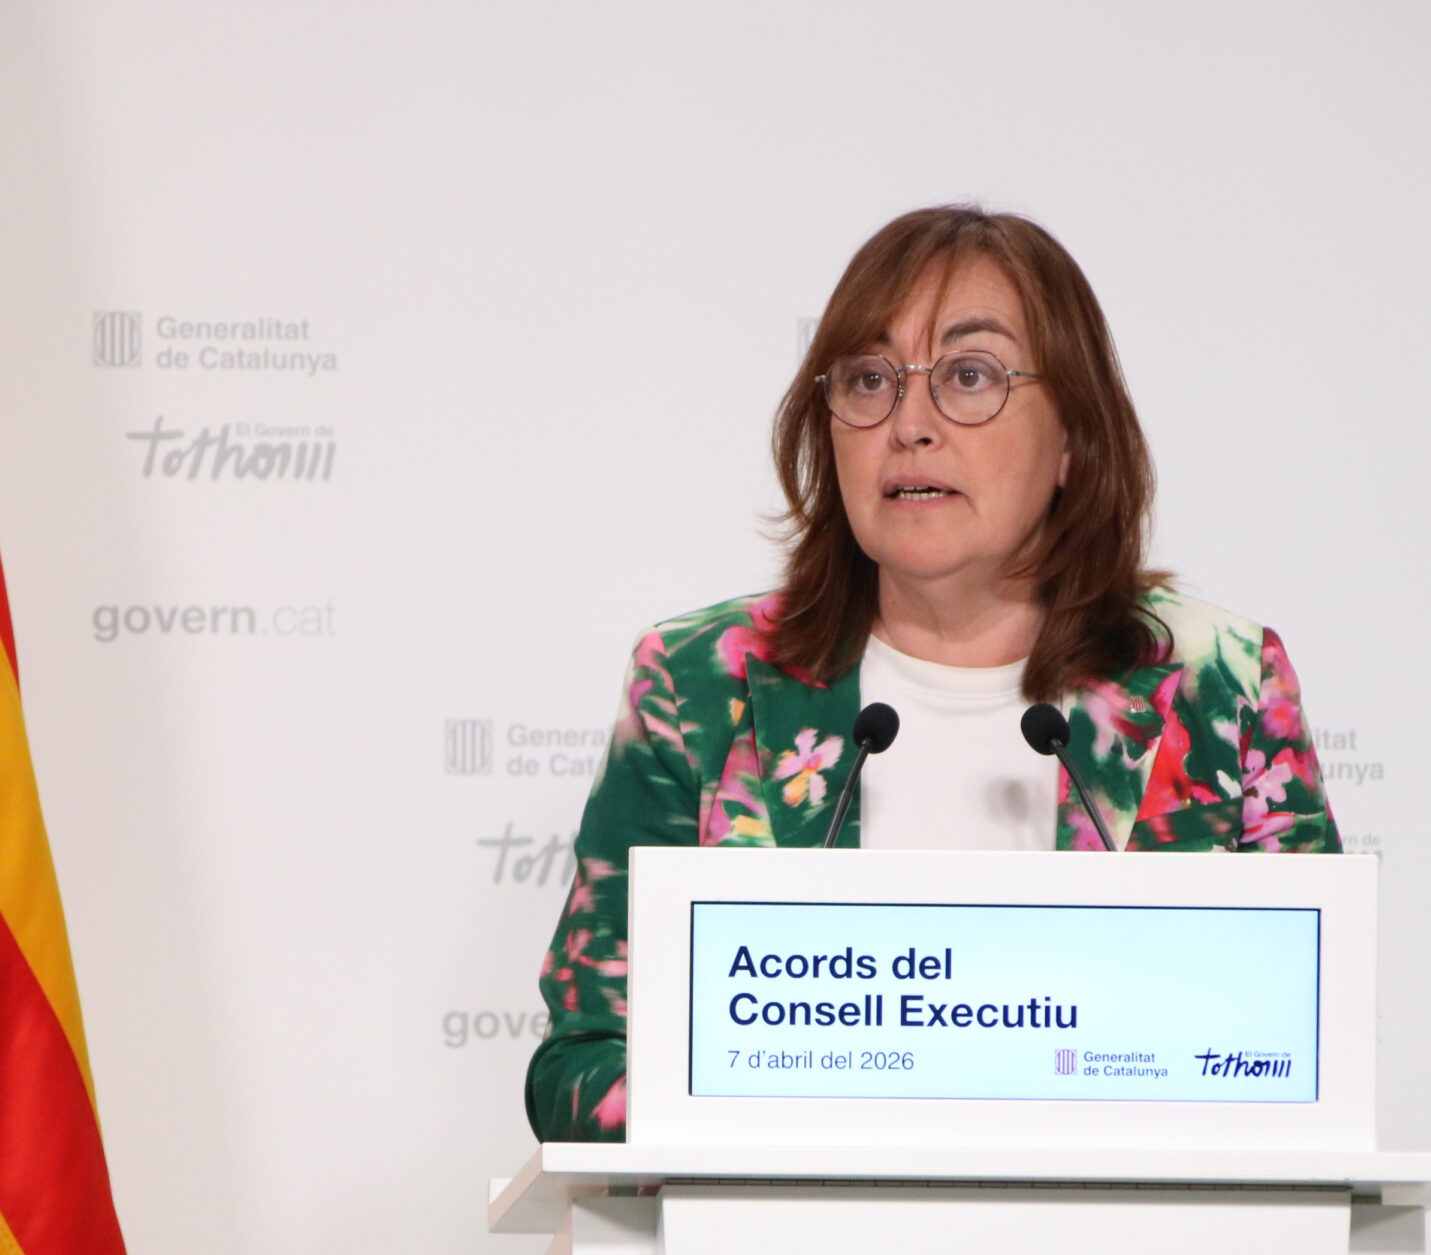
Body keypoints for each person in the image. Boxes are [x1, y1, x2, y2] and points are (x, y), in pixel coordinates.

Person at [525, 205, 1340, 1143]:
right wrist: (806, 1119)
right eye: (869, 380)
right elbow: (581, 1068)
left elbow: (1316, 1057)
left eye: (970, 375)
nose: (909, 425)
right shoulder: (701, 685)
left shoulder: (1221, 687)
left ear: (1073, 437)